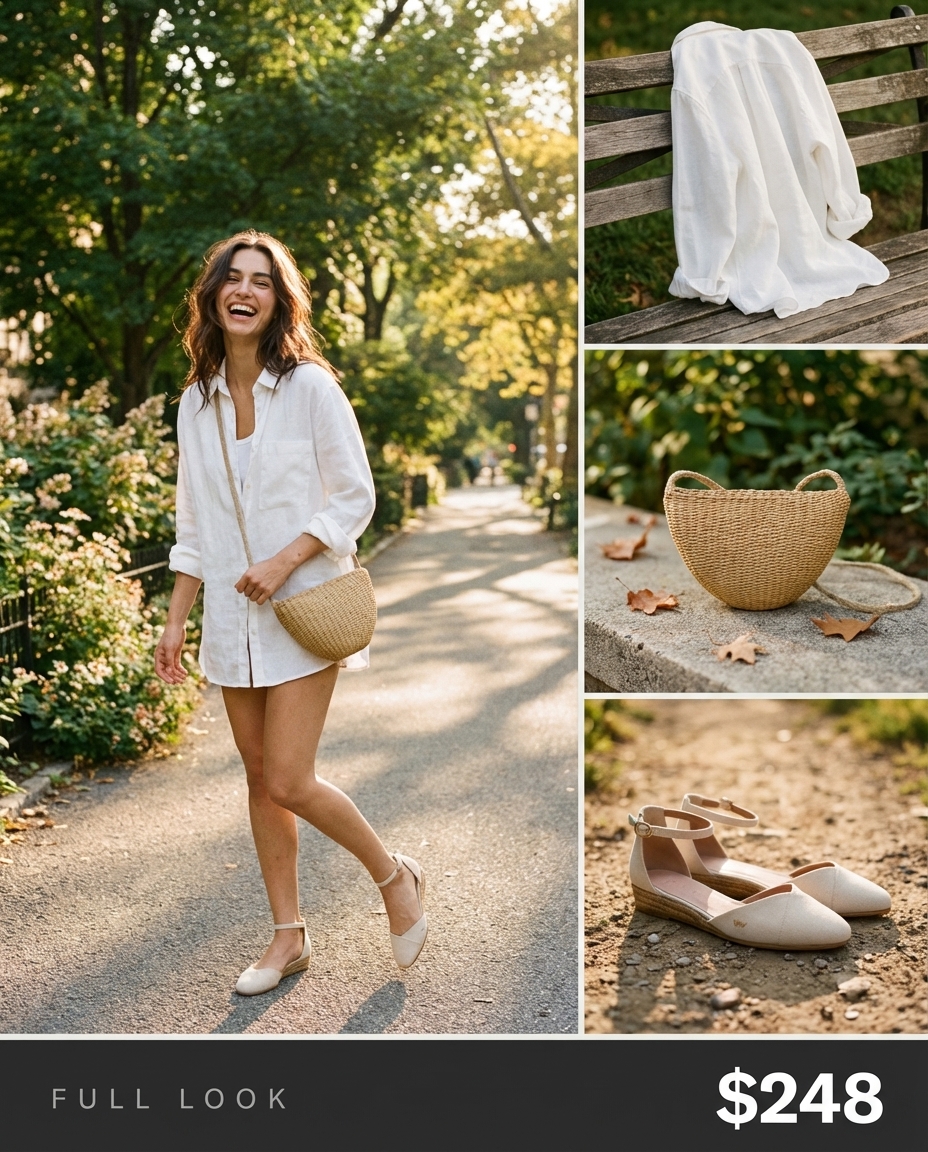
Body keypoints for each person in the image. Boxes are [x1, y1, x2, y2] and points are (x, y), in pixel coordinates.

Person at [154, 230, 427, 995]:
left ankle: (394, 876)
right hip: (231, 623)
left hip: (304, 609)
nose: (245, 290)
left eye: (262, 280)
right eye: (232, 277)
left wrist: (283, 559)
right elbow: (193, 527)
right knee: (258, 777)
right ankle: (288, 936)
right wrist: (175, 620)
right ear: (213, 295)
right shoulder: (195, 404)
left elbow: (355, 496)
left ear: (280, 301)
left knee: (288, 778)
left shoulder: (309, 388)